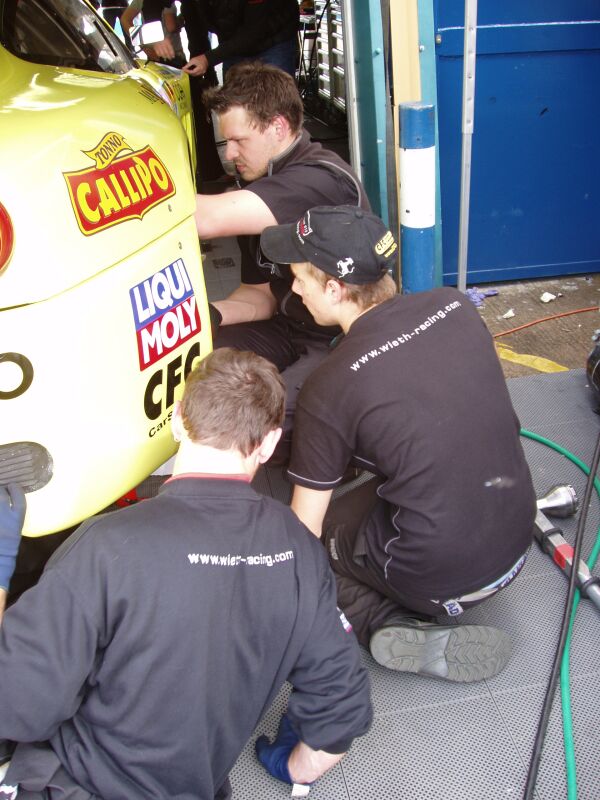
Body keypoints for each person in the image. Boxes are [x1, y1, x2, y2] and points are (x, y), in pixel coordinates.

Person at [0, 349, 372, 799]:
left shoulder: (106, 546)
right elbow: (344, 708)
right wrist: (296, 768)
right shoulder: (297, 549)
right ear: (270, 443)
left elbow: (14, 708)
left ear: (178, 420)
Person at [260, 205, 537, 683]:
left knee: (296, 552)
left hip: (445, 579)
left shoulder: (331, 385)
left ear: (335, 288)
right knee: (418, 467)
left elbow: (303, 532)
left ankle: (381, 620)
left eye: (300, 277)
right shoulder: (453, 306)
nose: (294, 288)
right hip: (516, 536)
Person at [196, 62, 370, 459]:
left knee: (265, 425)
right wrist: (203, 316)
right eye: (226, 144)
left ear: (277, 127)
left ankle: (339, 447)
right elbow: (261, 297)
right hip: (287, 327)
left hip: (336, 338)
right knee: (202, 358)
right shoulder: (258, 188)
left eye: (238, 141)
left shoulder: (318, 179)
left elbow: (204, 218)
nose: (230, 155)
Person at [152, 0, 300, 79]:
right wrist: (155, 35)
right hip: (231, 39)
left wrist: (207, 59)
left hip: (274, 37)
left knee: (278, 105)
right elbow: (151, 4)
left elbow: (254, 32)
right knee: (234, 108)